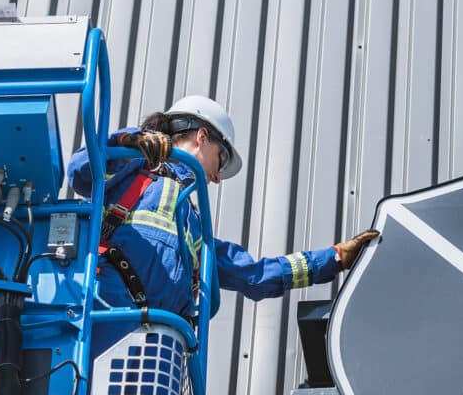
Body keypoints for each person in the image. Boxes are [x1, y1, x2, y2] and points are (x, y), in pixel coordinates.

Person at [67, 95, 379, 351]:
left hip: (153, 350)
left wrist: (334, 259)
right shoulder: (136, 169)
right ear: (202, 137)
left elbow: (255, 275)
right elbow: (81, 172)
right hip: (100, 314)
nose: (217, 178)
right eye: (221, 159)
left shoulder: (193, 229)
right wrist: (129, 142)